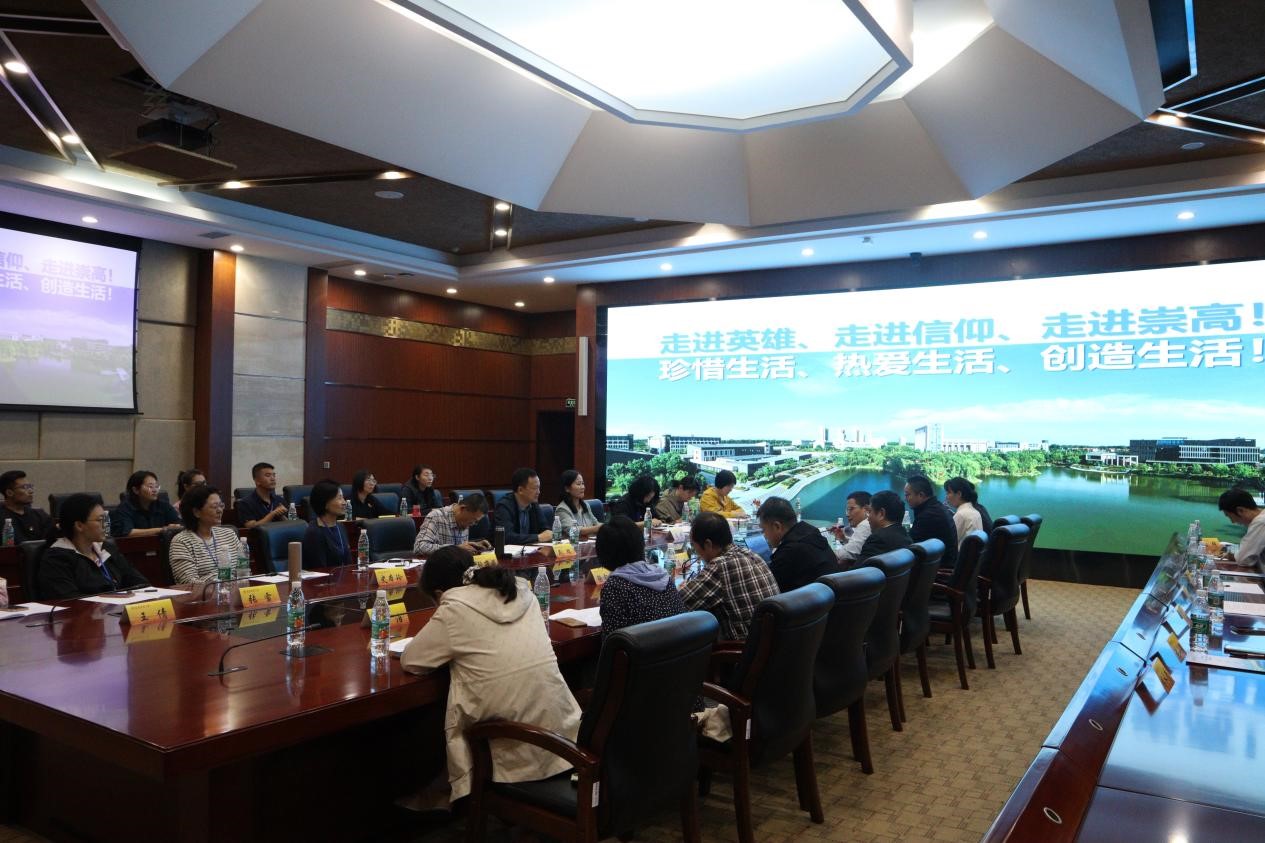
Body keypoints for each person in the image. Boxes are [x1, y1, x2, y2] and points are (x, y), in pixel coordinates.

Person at [400, 546, 582, 805]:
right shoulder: (522, 593)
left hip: (515, 751)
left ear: (440, 594)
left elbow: (412, 661)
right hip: (564, 735)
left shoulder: (454, 608)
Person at [680, 511, 779, 640]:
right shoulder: (750, 554)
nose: (695, 551)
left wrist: (683, 588)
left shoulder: (720, 566)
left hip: (742, 648)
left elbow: (678, 605)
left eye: (694, 545)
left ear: (708, 544)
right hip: (772, 642)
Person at [38, 493, 148, 599]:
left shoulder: (106, 549)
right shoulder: (57, 559)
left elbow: (140, 583)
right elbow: (69, 600)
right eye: (100, 520)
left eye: (106, 519)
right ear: (79, 526)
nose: (106, 524)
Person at [596, 515, 687, 637]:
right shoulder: (662, 575)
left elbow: (612, 640)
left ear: (604, 553)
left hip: (646, 649)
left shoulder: (615, 586)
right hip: (677, 646)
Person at [757, 496, 837, 593]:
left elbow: (768, 589)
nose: (764, 536)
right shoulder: (812, 534)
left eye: (764, 530)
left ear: (777, 526)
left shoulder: (789, 552)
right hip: (831, 597)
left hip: (810, 601)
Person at [168, 485, 239, 584]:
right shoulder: (181, 541)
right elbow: (188, 582)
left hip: (233, 590)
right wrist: (219, 581)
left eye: (221, 505)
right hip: (202, 593)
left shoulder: (229, 534)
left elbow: (243, 570)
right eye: (214, 506)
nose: (220, 510)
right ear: (196, 512)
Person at [903, 474, 959, 573]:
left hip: (941, 573)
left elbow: (909, 546)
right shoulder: (937, 508)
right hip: (949, 567)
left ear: (921, 495)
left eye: (908, 495)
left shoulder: (928, 516)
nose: (905, 498)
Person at [414, 492, 492, 556]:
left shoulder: (464, 520)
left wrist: (473, 546)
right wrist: (456, 548)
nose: (474, 524)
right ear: (463, 508)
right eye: (474, 520)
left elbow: (461, 548)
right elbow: (419, 547)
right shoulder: (436, 516)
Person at [112, 470, 181, 537]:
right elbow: (128, 532)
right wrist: (162, 530)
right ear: (136, 490)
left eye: (156, 486)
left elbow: (179, 524)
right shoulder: (124, 509)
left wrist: (176, 526)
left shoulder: (164, 505)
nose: (155, 490)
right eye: (150, 487)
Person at [493, 468, 552, 545]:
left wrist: (547, 534)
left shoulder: (534, 505)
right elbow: (507, 537)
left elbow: (545, 530)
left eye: (539, 487)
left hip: (528, 549)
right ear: (520, 490)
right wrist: (538, 537)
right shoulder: (504, 507)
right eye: (535, 488)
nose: (538, 492)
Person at [302, 480, 353, 568]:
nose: (344, 502)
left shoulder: (340, 527)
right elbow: (319, 570)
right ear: (325, 503)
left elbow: (348, 562)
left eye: (343, 498)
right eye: (339, 498)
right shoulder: (314, 532)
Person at [855, 490, 912, 563]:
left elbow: (858, 569)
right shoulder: (905, 535)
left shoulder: (877, 540)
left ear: (881, 513)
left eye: (870, 511)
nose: (868, 518)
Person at [0, 470, 53, 543]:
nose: (30, 491)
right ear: (9, 493)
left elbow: (51, 541)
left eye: (30, 486)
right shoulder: (2, 517)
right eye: (24, 487)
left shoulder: (40, 515)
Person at [1219, 488, 1265, 570]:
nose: (1233, 522)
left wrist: (1233, 556)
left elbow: (1243, 559)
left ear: (1240, 510)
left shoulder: (1260, 522)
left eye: (1230, 516)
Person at [237, 462, 288, 528]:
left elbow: (291, 525)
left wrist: (282, 516)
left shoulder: (280, 500)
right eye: (268, 475)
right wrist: (273, 514)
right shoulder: (245, 503)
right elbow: (250, 527)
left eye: (274, 475)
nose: (273, 479)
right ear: (257, 481)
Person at [554, 470, 600, 538]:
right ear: (567, 489)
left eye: (583, 483)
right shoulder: (562, 509)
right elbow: (573, 530)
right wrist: (598, 528)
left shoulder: (585, 505)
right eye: (578, 484)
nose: (583, 487)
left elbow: (596, 523)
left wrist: (607, 526)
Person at [829, 490, 872, 563]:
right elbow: (859, 547)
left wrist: (825, 550)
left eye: (851, 509)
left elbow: (846, 554)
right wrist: (843, 538)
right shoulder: (868, 524)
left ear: (866, 509)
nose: (847, 514)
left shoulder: (865, 524)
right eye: (847, 510)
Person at [944, 477, 987, 548]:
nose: (947, 497)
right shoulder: (976, 512)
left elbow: (950, 541)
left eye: (949, 493)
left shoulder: (961, 514)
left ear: (959, 494)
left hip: (960, 554)